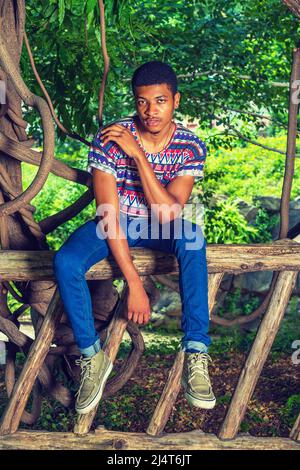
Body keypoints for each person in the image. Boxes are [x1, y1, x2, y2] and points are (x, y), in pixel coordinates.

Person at [53, 60, 216, 415]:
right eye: (142, 102)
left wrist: (138, 156)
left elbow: (169, 213)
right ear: (134, 101)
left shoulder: (190, 146)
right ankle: (92, 357)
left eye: (160, 101)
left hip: (159, 224)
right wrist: (135, 284)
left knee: (192, 238)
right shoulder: (111, 138)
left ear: (176, 100)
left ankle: (196, 352)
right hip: (117, 221)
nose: (150, 111)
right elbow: (108, 216)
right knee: (65, 261)